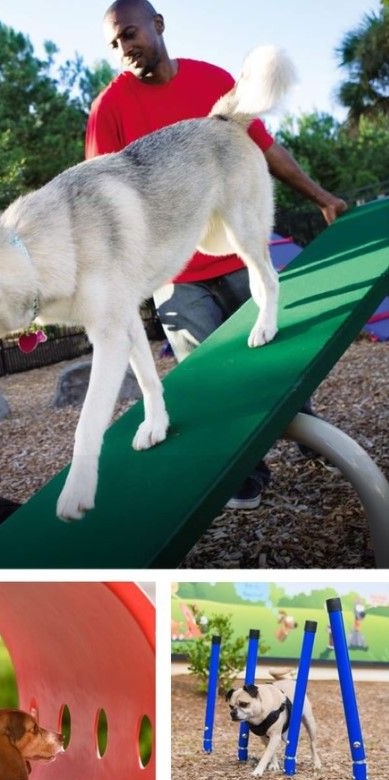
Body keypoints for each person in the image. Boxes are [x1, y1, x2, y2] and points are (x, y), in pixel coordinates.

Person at [86, 0, 348, 508]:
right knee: (207, 378)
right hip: (175, 275)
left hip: (232, 255)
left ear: (158, 26)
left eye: (130, 33)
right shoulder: (108, 109)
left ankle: (311, 436)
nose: (125, 48)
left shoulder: (211, 81)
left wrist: (321, 196)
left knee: (278, 358)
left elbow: (264, 149)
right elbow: (102, 197)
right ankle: (245, 474)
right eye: (114, 44)